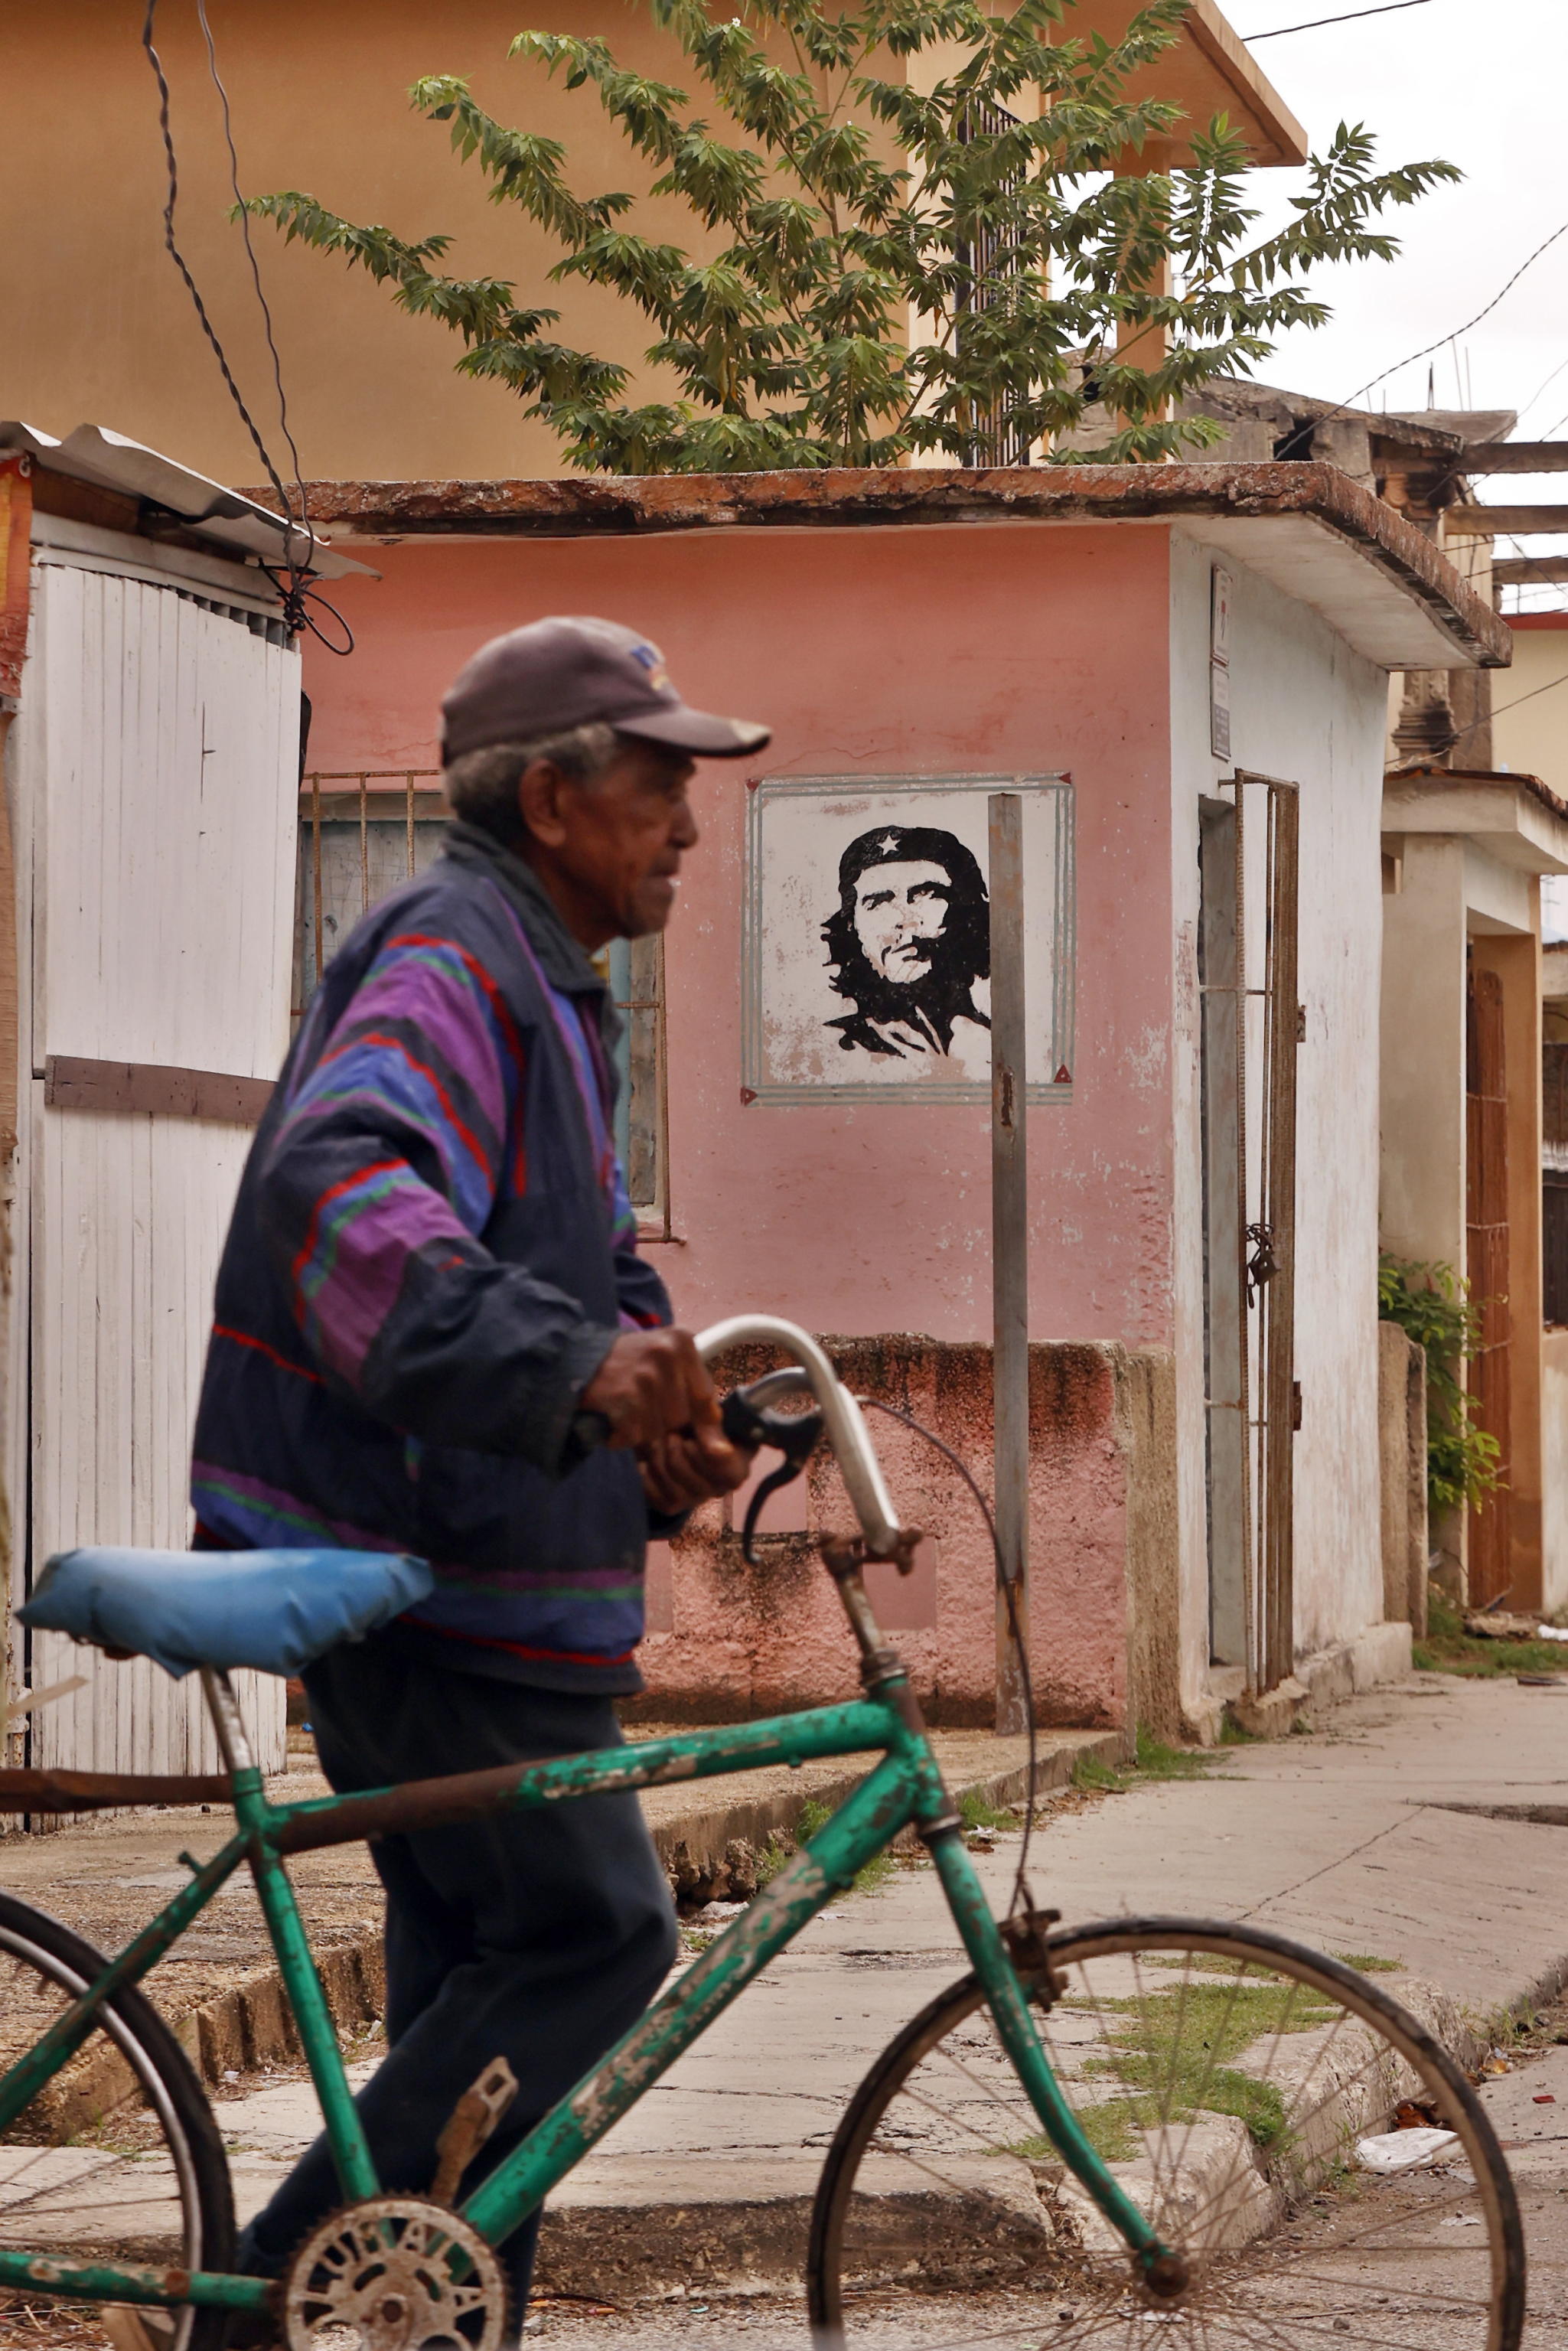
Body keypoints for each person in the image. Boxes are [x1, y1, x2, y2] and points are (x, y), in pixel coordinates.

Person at [187, 615, 770, 2335]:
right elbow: (343, 1189)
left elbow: (580, 1263)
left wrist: (656, 1410)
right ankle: (250, 2314)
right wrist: (571, 1368)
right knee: (595, 1936)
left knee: (479, 2019)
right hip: (429, 1579)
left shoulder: (550, 984)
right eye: (656, 787)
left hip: (492, 1576)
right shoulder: (452, 956)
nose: (686, 826)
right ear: (550, 800)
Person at [821, 824, 991, 1073]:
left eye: (927, 894)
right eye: (879, 902)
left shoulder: (993, 1040)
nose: (906, 919)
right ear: (851, 926)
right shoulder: (839, 1048)